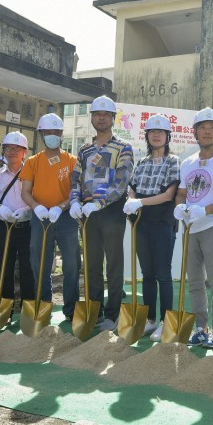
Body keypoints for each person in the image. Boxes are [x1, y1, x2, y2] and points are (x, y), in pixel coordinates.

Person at [174, 108, 213, 349]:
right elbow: (182, 193)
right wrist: (179, 207)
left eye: (212, 127)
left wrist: (207, 210)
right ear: (195, 133)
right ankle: (201, 328)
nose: (207, 131)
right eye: (202, 127)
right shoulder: (188, 162)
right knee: (194, 281)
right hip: (191, 227)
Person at [69, 96, 134, 332]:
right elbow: (75, 180)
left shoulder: (123, 148)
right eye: (97, 114)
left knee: (114, 266)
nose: (101, 118)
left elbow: (122, 181)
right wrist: (75, 202)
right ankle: (94, 311)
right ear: (92, 118)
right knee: (92, 266)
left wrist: (100, 202)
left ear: (113, 119)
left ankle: (113, 314)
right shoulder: (84, 150)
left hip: (111, 212)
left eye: (106, 114)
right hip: (87, 214)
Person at [124, 114, 181, 342]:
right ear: (147, 136)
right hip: (141, 222)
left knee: (163, 274)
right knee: (147, 274)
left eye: (160, 132)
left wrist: (140, 202)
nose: (156, 135)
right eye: (152, 132)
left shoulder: (173, 161)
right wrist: (131, 200)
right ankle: (150, 320)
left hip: (162, 222)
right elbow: (133, 187)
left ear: (167, 136)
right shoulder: (142, 162)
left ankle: (167, 322)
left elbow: (169, 195)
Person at [20, 113, 79, 320]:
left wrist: (60, 207)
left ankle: (71, 309)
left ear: (62, 134)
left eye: (56, 132)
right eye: (48, 132)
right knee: (39, 262)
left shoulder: (72, 161)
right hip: (40, 217)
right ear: (41, 134)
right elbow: (25, 191)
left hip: (66, 218)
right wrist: (37, 208)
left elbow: (76, 192)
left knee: (71, 263)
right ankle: (43, 304)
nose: (52, 135)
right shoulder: (32, 162)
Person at [0, 132, 33, 306]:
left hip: (28, 227)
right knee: (3, 268)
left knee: (29, 269)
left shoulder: (33, 173)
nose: (12, 152)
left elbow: (40, 198)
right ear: (3, 151)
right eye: (8, 148)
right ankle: (5, 309)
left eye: (17, 148)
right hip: (4, 227)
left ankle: (29, 308)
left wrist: (27, 209)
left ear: (24, 152)